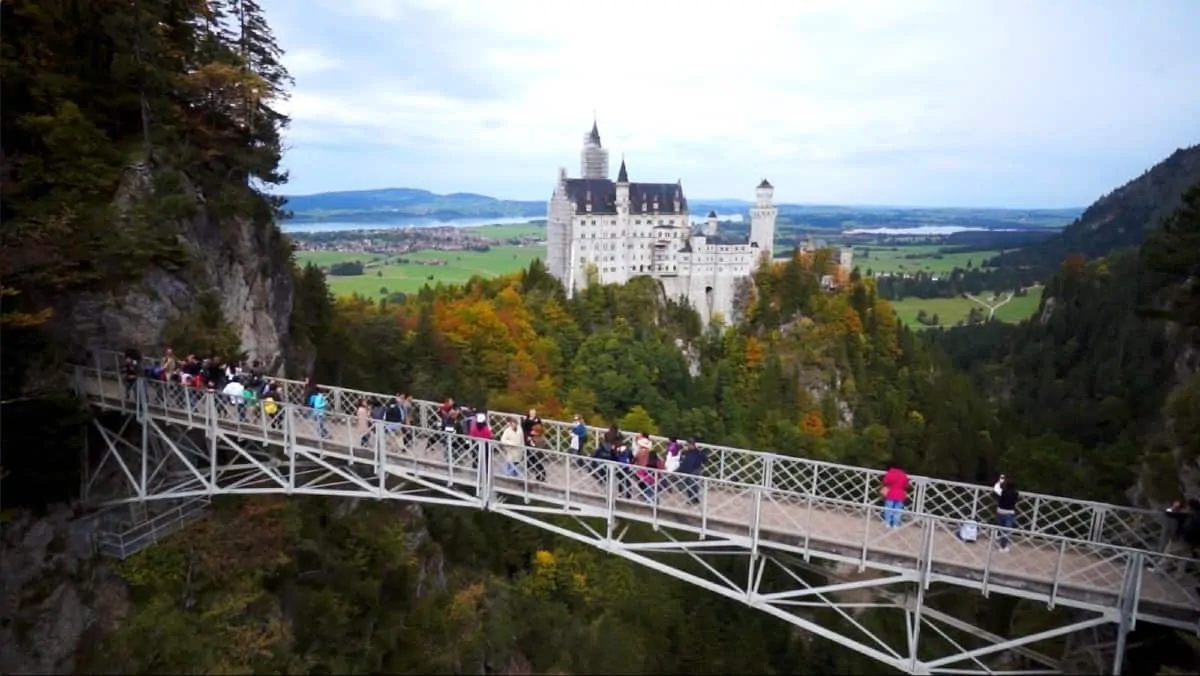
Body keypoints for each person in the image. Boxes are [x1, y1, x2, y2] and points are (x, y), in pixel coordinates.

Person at [993, 475, 1019, 553]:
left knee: (999, 527)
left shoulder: (1003, 492)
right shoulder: (1015, 493)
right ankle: (1003, 546)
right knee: (1006, 530)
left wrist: (1000, 482)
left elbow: (996, 489)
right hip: (1009, 512)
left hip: (1000, 511)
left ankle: (996, 540)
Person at [880, 462, 909, 528]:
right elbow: (906, 485)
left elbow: (885, 482)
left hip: (890, 493)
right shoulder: (903, 475)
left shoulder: (890, 473)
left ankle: (887, 523)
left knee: (888, 509)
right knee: (898, 510)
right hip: (900, 494)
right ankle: (895, 524)